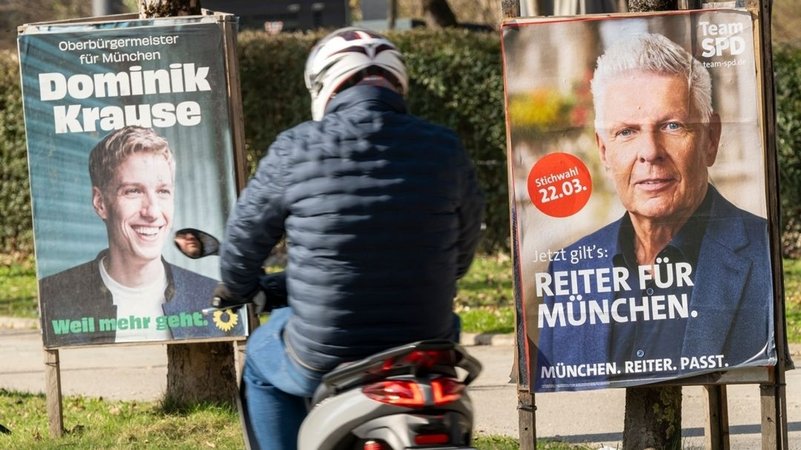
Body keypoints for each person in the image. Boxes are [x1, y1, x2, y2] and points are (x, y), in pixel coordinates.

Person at [213, 27, 485, 450]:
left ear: (325, 85)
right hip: (427, 347)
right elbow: (461, 256)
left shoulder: (295, 147)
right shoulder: (445, 147)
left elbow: (241, 246)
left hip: (325, 353)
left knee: (261, 357)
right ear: (398, 83)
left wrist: (238, 288)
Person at [535, 33, 774, 391]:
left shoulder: (761, 252)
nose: (650, 152)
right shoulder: (569, 269)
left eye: (672, 126)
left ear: (710, 139)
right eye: (627, 132)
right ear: (603, 150)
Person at [39, 126, 245, 346]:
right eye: (133, 191)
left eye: (162, 191)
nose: (153, 212)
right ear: (100, 203)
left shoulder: (214, 298)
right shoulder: (55, 297)